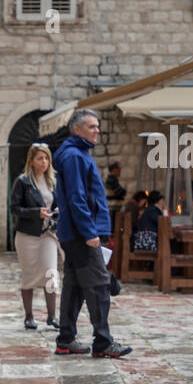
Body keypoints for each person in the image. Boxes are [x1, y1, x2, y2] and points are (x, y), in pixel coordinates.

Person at [53, 110, 132, 359]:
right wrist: (90, 231)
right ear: (77, 129)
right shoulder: (74, 156)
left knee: (74, 287)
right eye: (91, 126)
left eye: (97, 126)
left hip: (74, 231)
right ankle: (103, 342)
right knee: (99, 285)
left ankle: (65, 339)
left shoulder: (76, 154)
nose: (97, 130)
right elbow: (77, 197)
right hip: (81, 233)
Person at [10, 143, 61, 330]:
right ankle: (29, 316)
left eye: (47, 158)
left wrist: (56, 212)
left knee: (51, 273)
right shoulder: (23, 182)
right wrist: (35, 212)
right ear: (31, 161)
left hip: (48, 234)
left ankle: (52, 316)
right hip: (27, 236)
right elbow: (14, 208)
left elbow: (58, 205)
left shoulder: (53, 181)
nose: (44, 162)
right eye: (40, 158)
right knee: (29, 275)